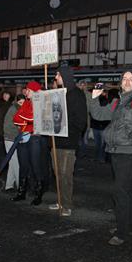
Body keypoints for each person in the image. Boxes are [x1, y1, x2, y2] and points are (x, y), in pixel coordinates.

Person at [89, 71, 132, 246]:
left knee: (120, 192)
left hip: (128, 152)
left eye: (130, 79)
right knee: (125, 191)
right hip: (115, 151)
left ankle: (122, 232)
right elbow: (99, 115)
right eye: (124, 79)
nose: (127, 82)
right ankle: (130, 225)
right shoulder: (117, 102)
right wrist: (94, 98)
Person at [48, 66, 88, 216]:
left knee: (66, 174)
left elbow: (81, 120)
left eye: (57, 75)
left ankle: (67, 204)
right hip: (55, 141)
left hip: (68, 142)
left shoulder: (77, 94)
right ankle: (60, 199)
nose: (55, 78)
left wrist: (66, 126)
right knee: (57, 173)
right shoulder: (58, 93)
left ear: (64, 76)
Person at [12, 81, 50, 205]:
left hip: (35, 138)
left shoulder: (41, 102)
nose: (25, 92)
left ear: (34, 90)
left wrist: (26, 119)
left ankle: (38, 194)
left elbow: (33, 117)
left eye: (28, 90)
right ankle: (21, 192)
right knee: (23, 166)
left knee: (36, 166)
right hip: (24, 136)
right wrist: (26, 120)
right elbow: (16, 118)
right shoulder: (27, 103)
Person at [2, 94, 24, 194]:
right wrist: (19, 133)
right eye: (20, 102)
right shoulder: (13, 109)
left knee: (12, 163)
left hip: (14, 138)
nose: (22, 104)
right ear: (16, 101)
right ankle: (20, 186)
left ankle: (9, 185)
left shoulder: (19, 109)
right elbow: (8, 126)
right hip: (10, 139)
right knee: (16, 163)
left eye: (23, 102)